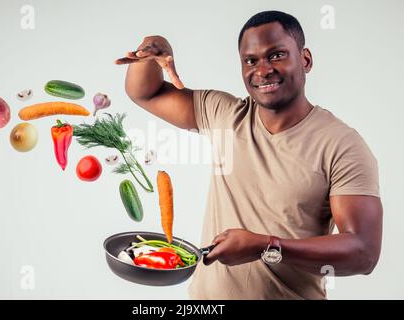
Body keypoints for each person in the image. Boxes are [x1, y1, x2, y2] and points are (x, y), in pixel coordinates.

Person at [115, 10, 382, 300]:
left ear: (305, 59)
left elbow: (363, 253)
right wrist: (153, 46)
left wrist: (267, 246)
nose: (263, 70)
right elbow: (146, 93)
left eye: (277, 55)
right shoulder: (225, 114)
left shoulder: (341, 144)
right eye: (250, 61)